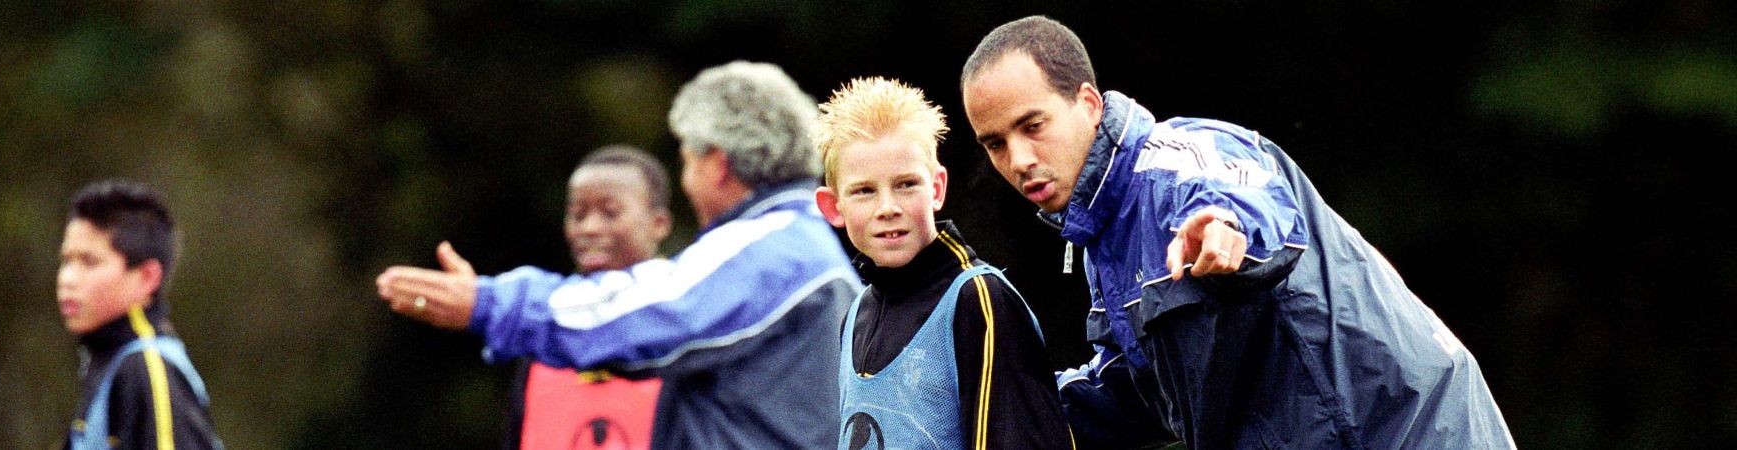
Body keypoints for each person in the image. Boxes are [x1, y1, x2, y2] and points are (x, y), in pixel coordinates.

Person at [958, 15, 1515, 449]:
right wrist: (989, 410)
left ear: (1087, 103)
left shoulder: (1180, 159)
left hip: (1403, 428)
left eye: (1033, 126)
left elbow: (1253, 205)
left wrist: (1226, 230)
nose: (1019, 159)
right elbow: (1135, 395)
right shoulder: (1103, 241)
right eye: (996, 143)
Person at [374, 61, 859, 448]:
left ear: (717, 163)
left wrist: (490, 303)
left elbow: (643, 318)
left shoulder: (772, 249)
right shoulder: (805, 244)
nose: (686, 182)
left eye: (687, 162)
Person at [812, 77, 1073, 449]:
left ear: (936, 188)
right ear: (833, 207)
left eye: (906, 184)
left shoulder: (978, 299)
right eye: (864, 191)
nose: (888, 208)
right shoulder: (856, 313)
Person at [505, 145, 672, 450]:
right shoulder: (547, 332)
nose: (590, 228)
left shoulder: (685, 327)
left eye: (610, 213)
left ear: (658, 224)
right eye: (578, 215)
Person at [56, 179, 223, 450]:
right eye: (66, 261)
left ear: (147, 277)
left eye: (89, 262)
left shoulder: (147, 366)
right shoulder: (107, 360)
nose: (67, 279)